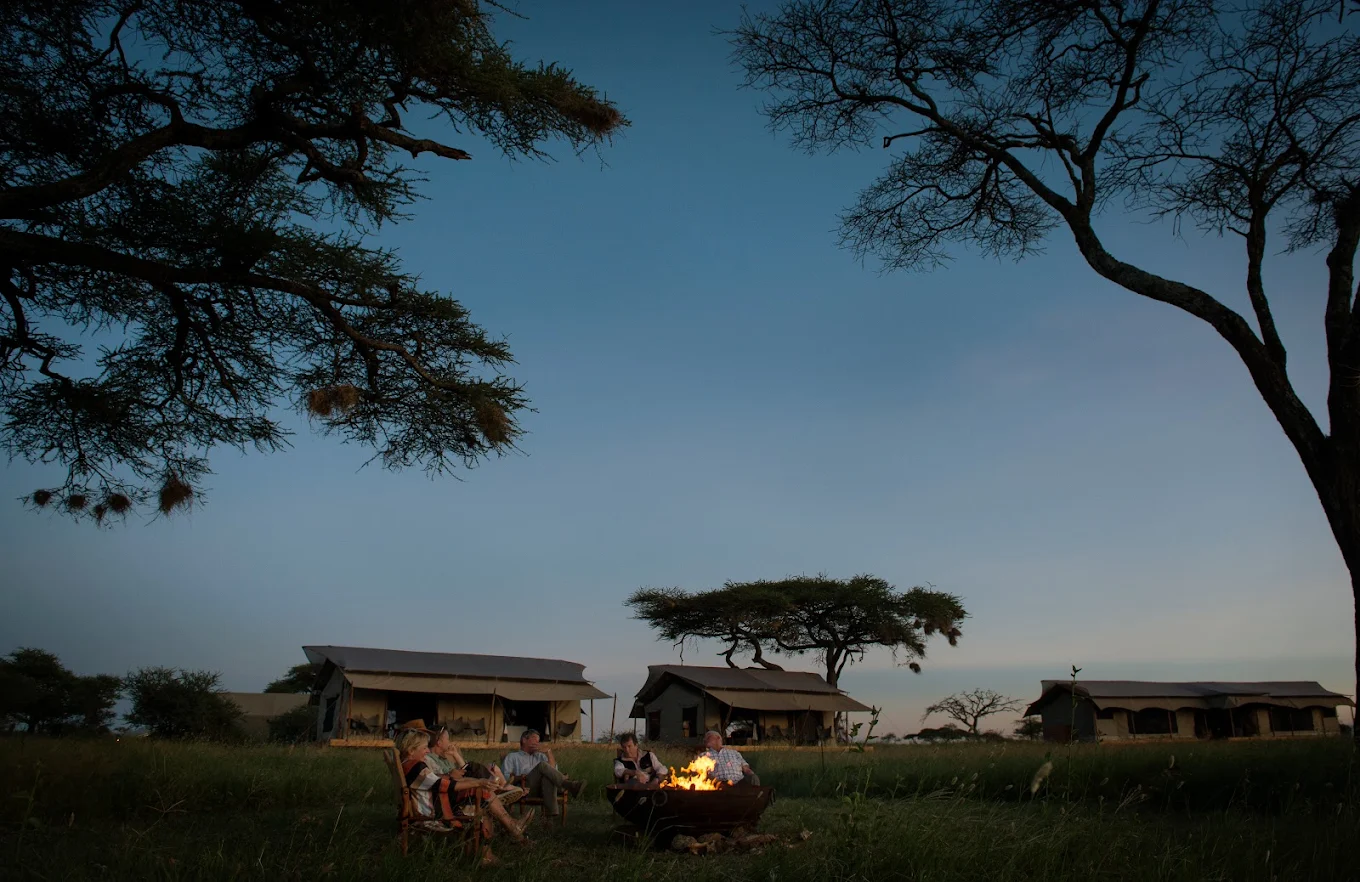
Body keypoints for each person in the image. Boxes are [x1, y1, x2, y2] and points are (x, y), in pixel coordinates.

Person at [396, 728, 533, 864]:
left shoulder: (409, 765)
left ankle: (507, 833)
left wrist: (475, 782)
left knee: (481, 796)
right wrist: (478, 782)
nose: (427, 750)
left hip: (433, 805)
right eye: (424, 748)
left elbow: (440, 780)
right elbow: (446, 785)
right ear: (411, 750)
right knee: (481, 803)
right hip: (435, 814)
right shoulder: (416, 767)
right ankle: (501, 841)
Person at [500, 729, 585, 818]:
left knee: (547, 777)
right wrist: (519, 777)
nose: (537, 742)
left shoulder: (541, 755)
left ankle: (550, 814)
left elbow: (554, 772)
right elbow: (505, 778)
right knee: (542, 765)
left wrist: (548, 752)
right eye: (534, 739)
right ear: (524, 740)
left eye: (538, 740)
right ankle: (569, 785)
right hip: (526, 787)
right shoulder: (513, 756)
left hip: (544, 788)